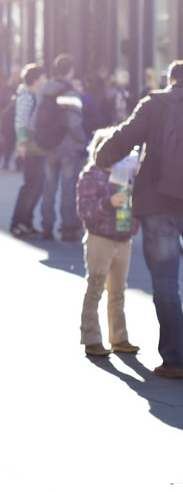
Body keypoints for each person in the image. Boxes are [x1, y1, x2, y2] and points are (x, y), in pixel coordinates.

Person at [97, 59, 183, 379]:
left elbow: (125, 136)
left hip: (158, 202)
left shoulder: (155, 103)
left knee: (165, 283)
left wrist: (101, 158)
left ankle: (175, 360)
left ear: (170, 79)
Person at [77, 128, 141, 358]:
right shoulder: (90, 176)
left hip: (123, 239)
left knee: (118, 291)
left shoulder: (126, 174)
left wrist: (132, 227)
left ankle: (119, 337)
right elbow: (85, 211)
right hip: (100, 238)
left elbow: (135, 208)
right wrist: (108, 202)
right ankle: (91, 337)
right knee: (95, 286)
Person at [40, 53, 88, 242]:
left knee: (49, 187)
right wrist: (82, 140)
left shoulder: (46, 90)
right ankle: (68, 227)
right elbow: (74, 123)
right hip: (68, 146)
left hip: (48, 145)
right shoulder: (70, 92)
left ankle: (46, 226)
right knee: (68, 188)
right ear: (70, 70)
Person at [9, 63, 49, 238]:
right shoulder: (26, 96)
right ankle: (18, 223)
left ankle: (27, 222)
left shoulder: (37, 95)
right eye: (43, 77)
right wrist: (22, 143)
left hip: (38, 147)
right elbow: (21, 121)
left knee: (37, 186)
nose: (46, 80)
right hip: (30, 147)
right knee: (30, 186)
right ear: (36, 79)